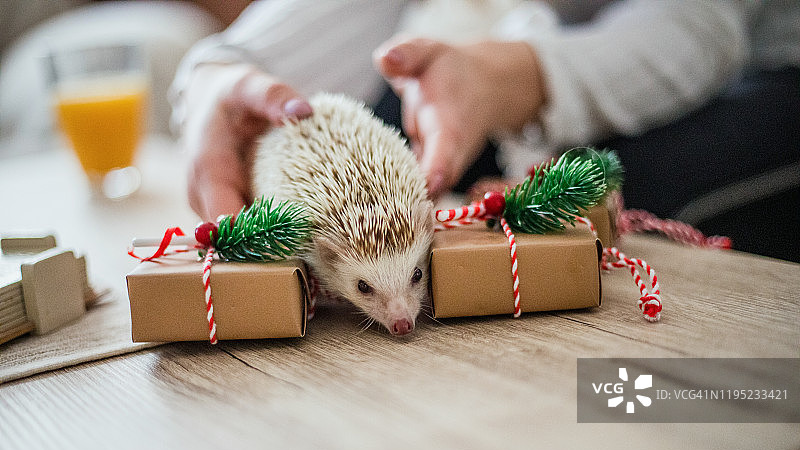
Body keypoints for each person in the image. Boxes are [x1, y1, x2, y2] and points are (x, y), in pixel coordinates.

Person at [169, 0, 800, 260]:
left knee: (639, 201)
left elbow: (703, 26)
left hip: (761, 64)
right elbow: (256, 49)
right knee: (404, 110)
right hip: (500, 46)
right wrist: (211, 76)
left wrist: (512, 79)